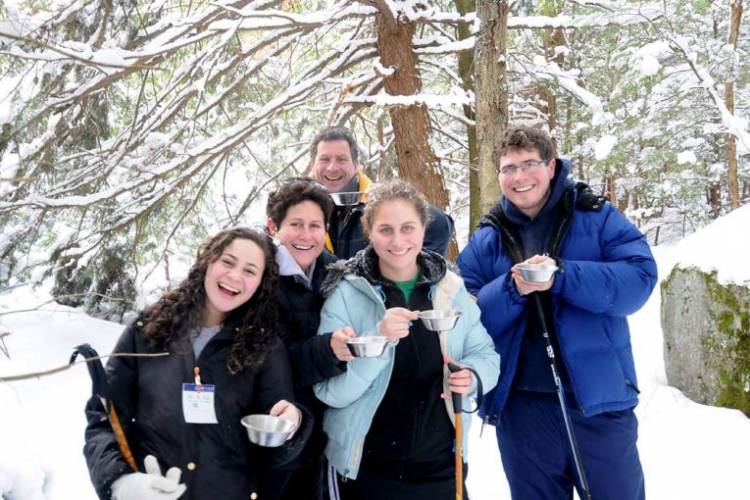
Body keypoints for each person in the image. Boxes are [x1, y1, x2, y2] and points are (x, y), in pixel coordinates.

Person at [457, 125, 658, 500]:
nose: (519, 177)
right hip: (523, 406)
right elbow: (465, 316)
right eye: (508, 168)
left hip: (597, 399)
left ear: (551, 166)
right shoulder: (488, 238)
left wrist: (562, 274)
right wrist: (511, 288)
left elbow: (639, 280)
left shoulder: (596, 217)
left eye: (529, 164)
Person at [84, 227, 310, 500]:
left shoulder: (267, 347)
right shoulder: (148, 330)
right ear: (208, 261)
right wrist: (120, 482)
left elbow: (274, 441)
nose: (235, 276)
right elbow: (105, 417)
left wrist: (291, 424)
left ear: (261, 283)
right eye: (228, 262)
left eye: (250, 271)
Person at [313, 180, 500, 500]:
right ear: (368, 232)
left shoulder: (449, 289)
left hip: (442, 466)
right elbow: (330, 393)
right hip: (368, 470)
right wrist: (377, 340)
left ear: (424, 229)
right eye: (385, 229)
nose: (398, 240)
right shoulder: (346, 294)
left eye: (407, 228)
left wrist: (472, 376)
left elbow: (486, 354)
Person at [263, 178, 349, 500]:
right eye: (295, 224)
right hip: (276, 428)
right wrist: (329, 350)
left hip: (323, 434)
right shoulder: (259, 277)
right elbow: (274, 363)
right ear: (273, 226)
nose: (306, 235)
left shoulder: (336, 274)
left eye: (315, 225)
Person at [308, 126, 455, 258]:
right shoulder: (300, 207)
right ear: (312, 164)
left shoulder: (376, 204)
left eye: (341, 159)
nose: (332, 168)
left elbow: (440, 224)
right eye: (325, 159)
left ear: (356, 165)